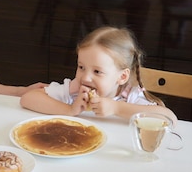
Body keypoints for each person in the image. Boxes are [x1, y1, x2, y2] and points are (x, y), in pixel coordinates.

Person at [20, 26, 177, 122]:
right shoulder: (74, 90)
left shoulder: (130, 97)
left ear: (122, 77)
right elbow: (28, 98)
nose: (85, 77)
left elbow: (169, 118)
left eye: (97, 71)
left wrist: (117, 108)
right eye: (81, 67)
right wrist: (69, 110)